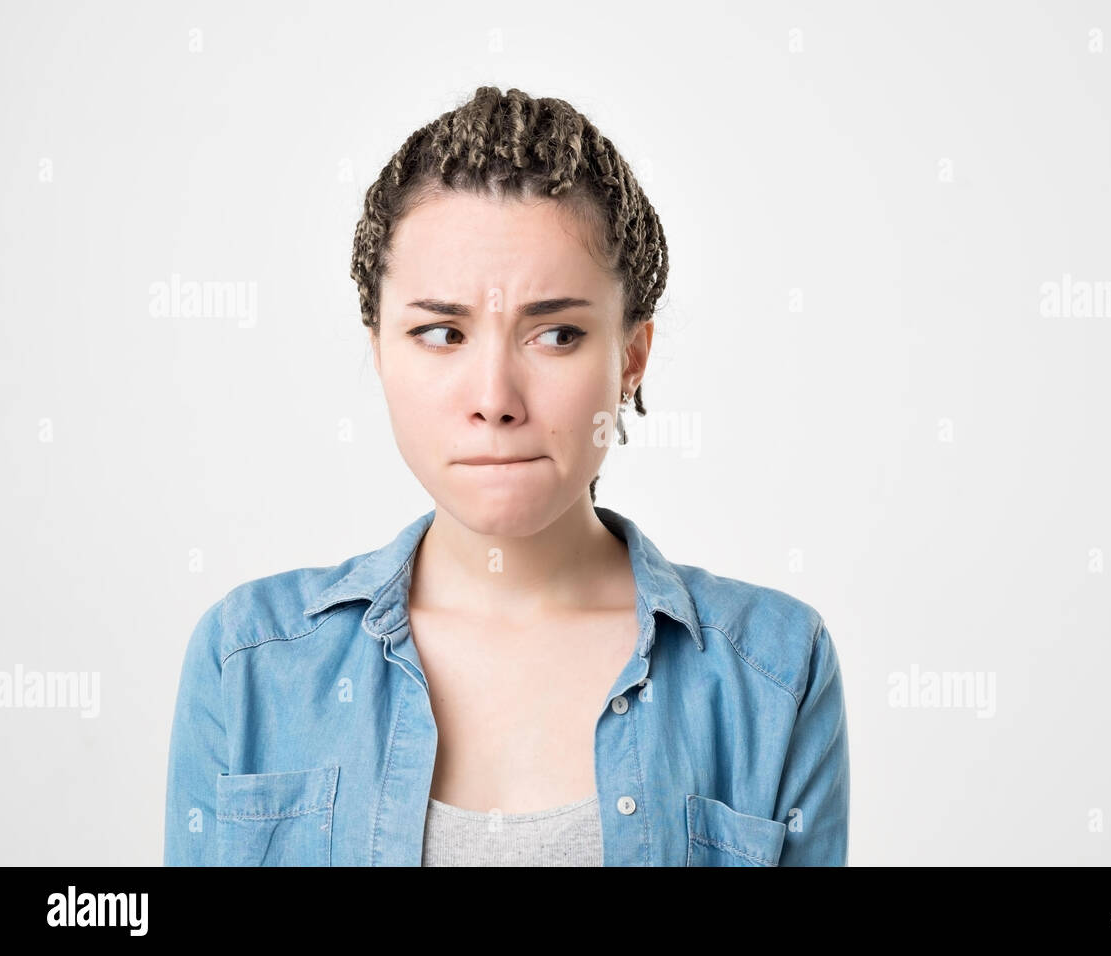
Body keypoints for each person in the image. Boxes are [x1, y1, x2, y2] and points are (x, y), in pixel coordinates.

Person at [163, 86, 849, 867]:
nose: (494, 399)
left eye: (556, 334)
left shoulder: (775, 672)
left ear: (631, 357)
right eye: (441, 332)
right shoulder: (247, 664)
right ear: (380, 348)